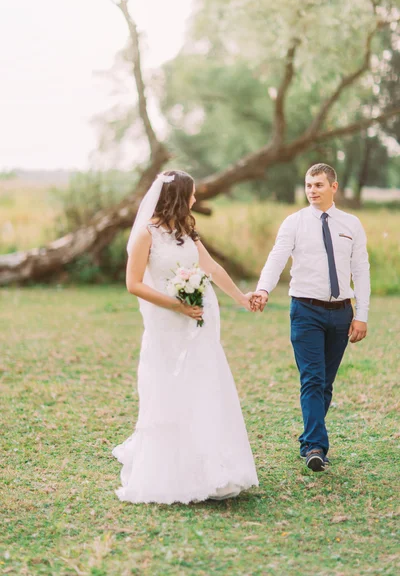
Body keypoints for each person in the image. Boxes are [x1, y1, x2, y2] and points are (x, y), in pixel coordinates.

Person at [112, 169, 259, 503]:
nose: (195, 199)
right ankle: (171, 471)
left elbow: (213, 269)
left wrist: (242, 298)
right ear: (179, 197)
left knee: (203, 384)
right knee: (167, 388)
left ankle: (211, 467)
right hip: (166, 324)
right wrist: (176, 306)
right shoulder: (145, 235)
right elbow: (133, 283)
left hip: (198, 325)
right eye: (192, 194)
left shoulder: (187, 232)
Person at [252, 163, 370, 472]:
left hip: (342, 313)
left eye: (318, 184)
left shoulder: (351, 224)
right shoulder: (294, 223)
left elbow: (361, 270)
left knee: (325, 383)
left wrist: (363, 314)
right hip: (305, 311)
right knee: (313, 379)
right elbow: (276, 257)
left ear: (334, 186)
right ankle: (316, 446)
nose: (312, 190)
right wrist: (263, 289)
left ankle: (309, 439)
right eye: (308, 185)